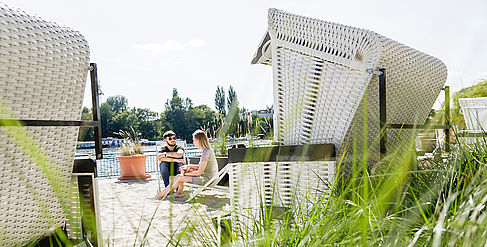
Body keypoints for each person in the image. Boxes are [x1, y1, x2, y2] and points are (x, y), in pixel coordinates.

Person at [156, 129, 218, 200]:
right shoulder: (207, 151)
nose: (193, 142)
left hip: (207, 180)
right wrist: (190, 166)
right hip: (208, 178)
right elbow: (201, 167)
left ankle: (160, 195)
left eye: (194, 140)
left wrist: (184, 174)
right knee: (179, 175)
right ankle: (178, 193)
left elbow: (199, 172)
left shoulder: (206, 152)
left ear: (198, 140)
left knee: (179, 177)